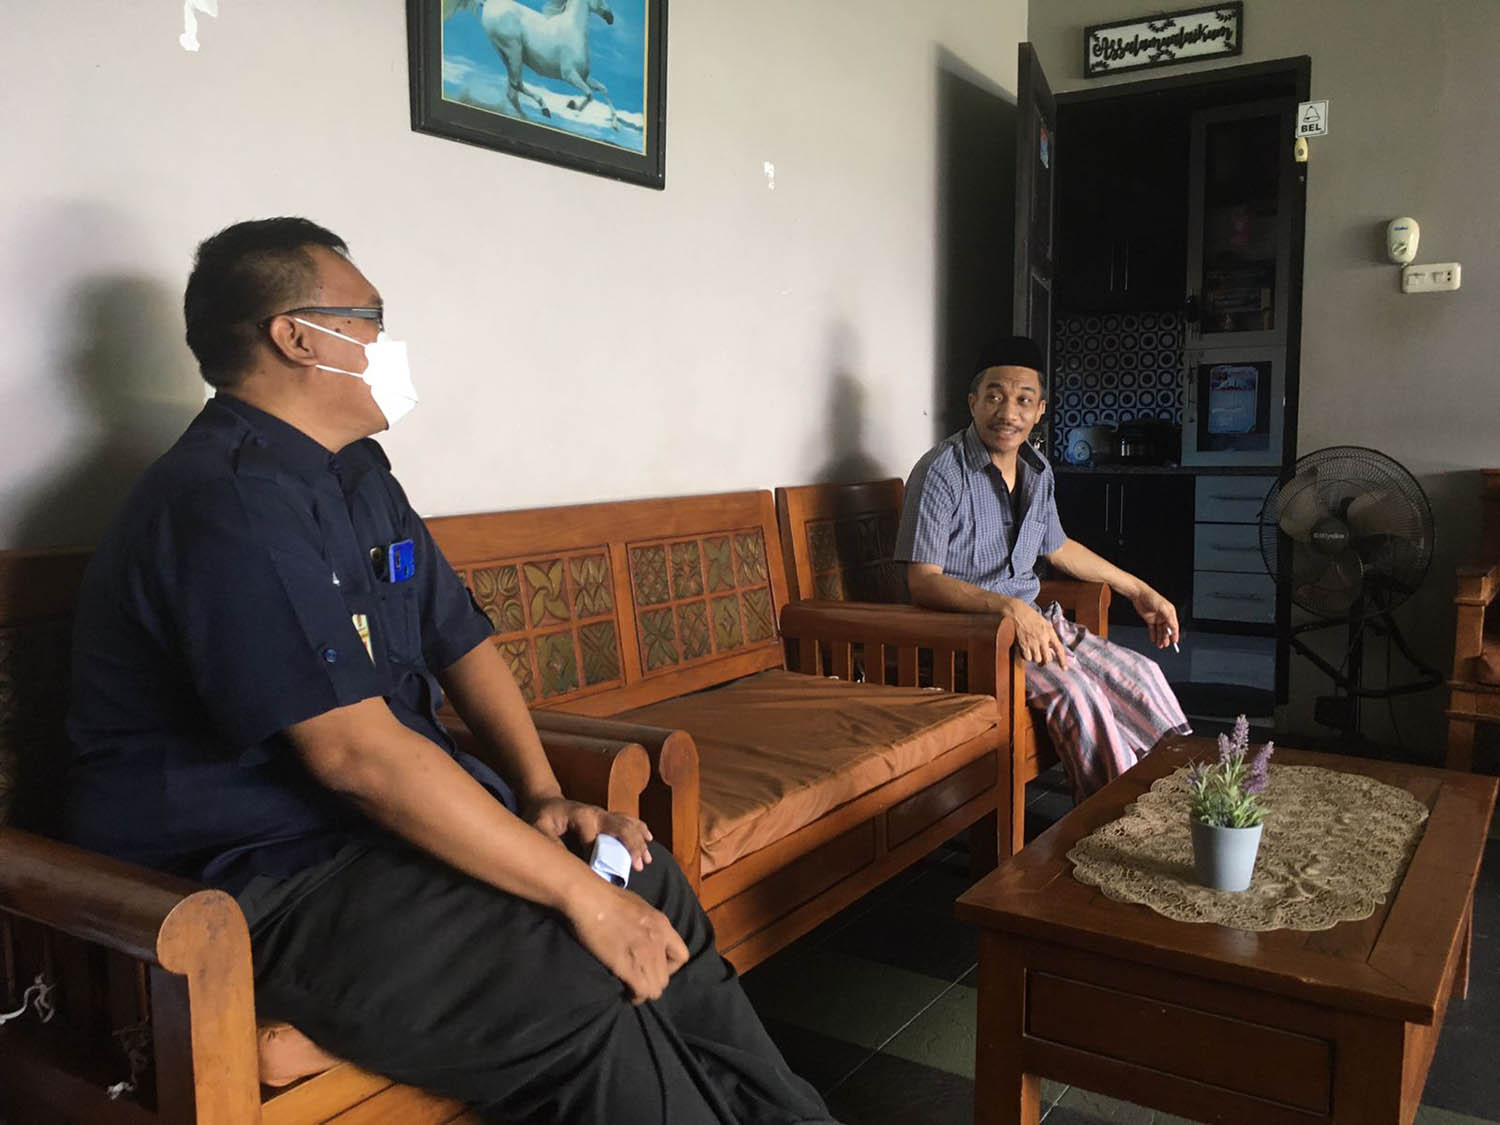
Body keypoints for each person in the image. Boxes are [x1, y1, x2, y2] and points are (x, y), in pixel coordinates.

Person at [64, 217, 834, 1124]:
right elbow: (357, 757)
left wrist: (544, 795)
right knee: (568, 964)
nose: (387, 342)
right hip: (261, 882)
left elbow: (459, 639)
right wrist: (576, 898)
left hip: (376, 842)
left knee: (644, 878)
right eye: (371, 319)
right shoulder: (222, 501)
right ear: (297, 337)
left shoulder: (356, 474)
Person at [895, 336, 1190, 797]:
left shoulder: (1037, 470)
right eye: (994, 396)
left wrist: (1138, 589)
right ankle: (1112, 820)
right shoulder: (942, 471)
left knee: (1142, 677)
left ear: (1039, 411)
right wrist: (1009, 609)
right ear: (973, 402)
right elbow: (923, 582)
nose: (1007, 413)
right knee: (1081, 698)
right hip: (969, 638)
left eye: (1023, 400)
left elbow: (1058, 546)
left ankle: (1180, 799)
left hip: (1036, 625)